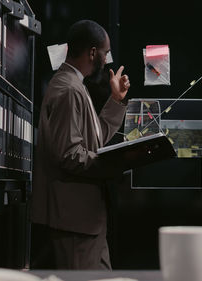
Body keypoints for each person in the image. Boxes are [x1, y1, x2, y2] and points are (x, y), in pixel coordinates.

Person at [30, 20, 130, 270]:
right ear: (93, 52)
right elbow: (69, 154)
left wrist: (116, 100)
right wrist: (115, 164)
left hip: (87, 223)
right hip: (76, 223)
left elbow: (94, 140)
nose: (107, 60)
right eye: (106, 53)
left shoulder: (75, 86)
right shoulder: (69, 89)